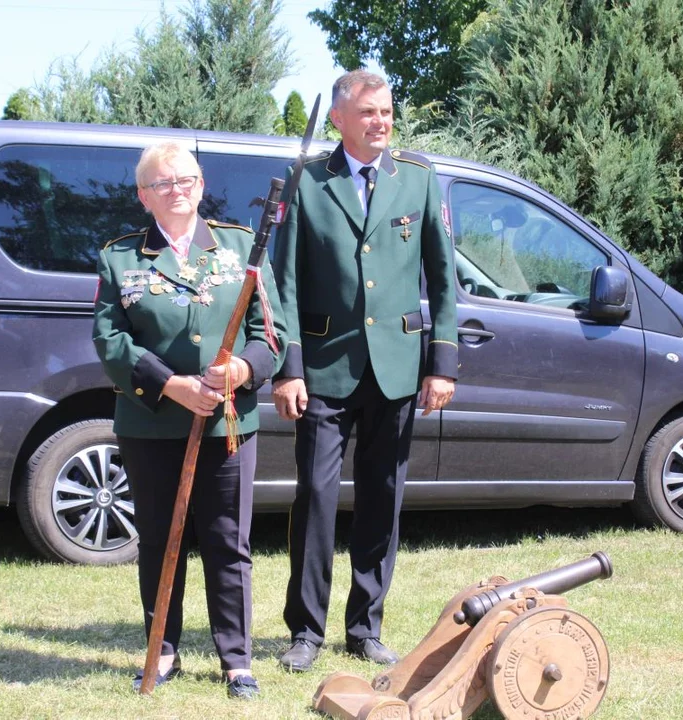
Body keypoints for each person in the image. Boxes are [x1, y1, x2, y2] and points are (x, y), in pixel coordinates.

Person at [272, 69, 459, 671]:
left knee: (384, 497)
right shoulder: (307, 182)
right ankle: (305, 631)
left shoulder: (419, 181)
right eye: (368, 113)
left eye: (386, 112)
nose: (381, 122)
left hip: (398, 368)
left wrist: (443, 365)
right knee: (318, 497)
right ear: (339, 120)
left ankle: (365, 627)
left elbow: (442, 278)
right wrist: (288, 369)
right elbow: (286, 283)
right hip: (324, 367)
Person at [92, 141, 284, 698]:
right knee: (157, 538)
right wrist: (170, 385)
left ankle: (236, 658)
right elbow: (109, 339)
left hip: (227, 426)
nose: (177, 190)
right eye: (163, 183)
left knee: (229, 540)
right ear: (143, 195)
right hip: (151, 425)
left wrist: (243, 371)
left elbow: (271, 330)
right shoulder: (120, 257)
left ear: (201, 185)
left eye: (186, 180)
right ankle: (164, 648)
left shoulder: (242, 247)